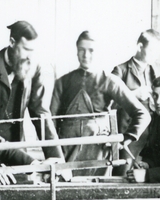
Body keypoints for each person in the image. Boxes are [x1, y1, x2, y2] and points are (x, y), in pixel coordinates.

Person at [50, 31, 150, 164]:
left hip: (98, 154)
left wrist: (126, 138)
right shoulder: (62, 82)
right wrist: (56, 156)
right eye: (81, 50)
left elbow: (142, 114)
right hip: (66, 153)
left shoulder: (109, 80)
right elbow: (50, 121)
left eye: (91, 50)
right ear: (76, 51)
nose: (86, 55)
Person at [0, 20, 62, 159]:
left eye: (32, 51)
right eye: (26, 49)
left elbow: (41, 114)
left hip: (17, 151)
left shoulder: (33, 69)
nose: (30, 57)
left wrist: (58, 160)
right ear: (12, 42)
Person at [112, 29, 160, 111]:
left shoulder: (158, 68)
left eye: (159, 52)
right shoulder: (120, 70)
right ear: (140, 47)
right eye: (152, 50)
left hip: (154, 118)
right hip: (131, 119)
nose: (156, 55)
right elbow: (110, 104)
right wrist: (133, 95)